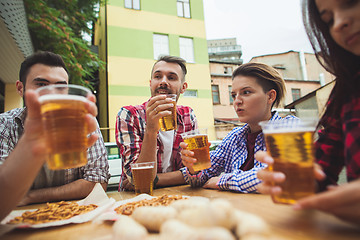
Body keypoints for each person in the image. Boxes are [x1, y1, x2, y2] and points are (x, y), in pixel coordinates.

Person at [256, 0, 360, 225]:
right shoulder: (348, 91)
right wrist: (293, 180)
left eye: (351, 3)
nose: (339, 23)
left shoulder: (288, 124)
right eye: (328, 20)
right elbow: (322, 168)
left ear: (271, 96)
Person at [0, 51, 110, 207]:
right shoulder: (4, 125)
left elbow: (97, 182)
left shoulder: (81, 122)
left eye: (60, 87)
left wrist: (31, 196)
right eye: (41, 85)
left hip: (72, 214)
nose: (51, 93)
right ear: (20, 88)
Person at [180, 62, 296, 192]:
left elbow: (273, 175)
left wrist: (222, 181)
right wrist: (193, 167)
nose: (237, 101)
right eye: (234, 95)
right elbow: (202, 177)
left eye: (246, 92)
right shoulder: (235, 136)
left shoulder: (290, 126)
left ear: (270, 96)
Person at [116, 55, 198, 190]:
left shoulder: (188, 115)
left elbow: (195, 173)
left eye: (171, 78)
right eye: (158, 76)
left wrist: (157, 180)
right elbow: (140, 180)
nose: (163, 82)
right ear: (150, 83)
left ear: (183, 87)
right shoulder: (129, 115)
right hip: (138, 201)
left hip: (179, 197)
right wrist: (151, 130)